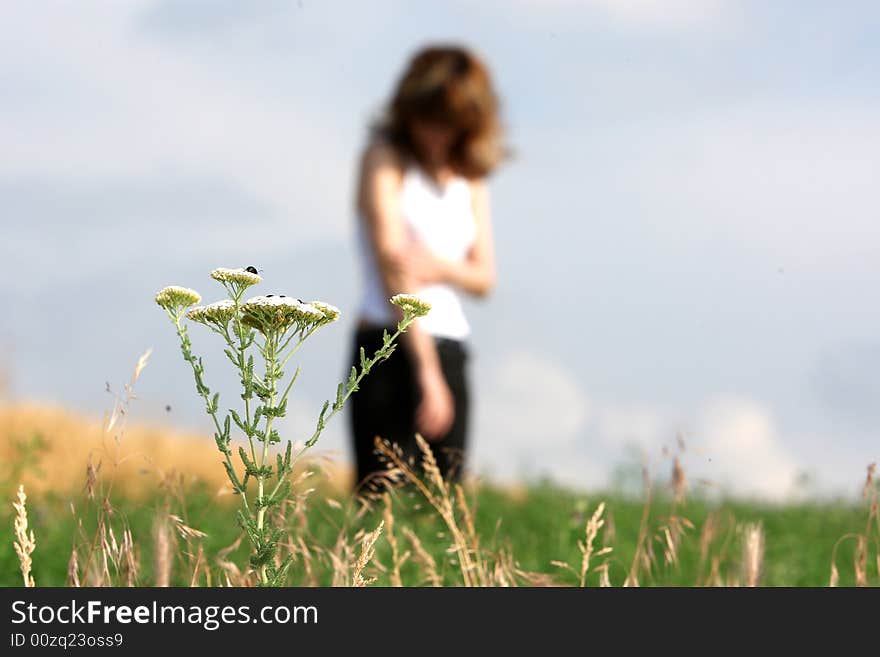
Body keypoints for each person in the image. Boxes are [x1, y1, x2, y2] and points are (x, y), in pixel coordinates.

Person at [348, 44, 504, 493]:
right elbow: (394, 269)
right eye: (428, 118)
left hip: (451, 346)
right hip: (385, 344)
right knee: (379, 498)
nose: (436, 132)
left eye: (448, 121)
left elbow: (485, 278)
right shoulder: (384, 161)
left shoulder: (469, 177)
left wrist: (436, 266)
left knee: (442, 504)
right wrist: (426, 372)